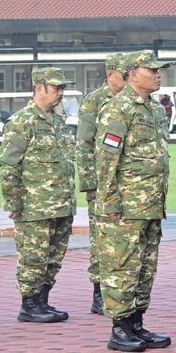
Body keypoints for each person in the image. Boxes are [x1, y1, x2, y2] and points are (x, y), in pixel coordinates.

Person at [94, 50, 172, 353]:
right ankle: (120, 328)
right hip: (126, 205)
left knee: (144, 266)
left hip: (151, 203)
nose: (157, 74)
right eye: (151, 70)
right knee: (122, 266)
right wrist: (110, 202)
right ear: (132, 73)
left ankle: (137, 323)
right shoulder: (118, 109)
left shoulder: (153, 109)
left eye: (158, 70)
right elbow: (106, 160)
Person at [1, 67, 77, 323]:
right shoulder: (22, 121)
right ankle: (29, 304)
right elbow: (10, 164)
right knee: (33, 258)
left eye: (62, 88)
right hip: (34, 206)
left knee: (54, 257)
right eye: (56, 88)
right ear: (39, 88)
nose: (60, 93)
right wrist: (13, 200)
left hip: (61, 203)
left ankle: (42, 300)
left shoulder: (58, 122)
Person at [75, 52, 127, 315]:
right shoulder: (94, 102)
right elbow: (84, 144)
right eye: (123, 74)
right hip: (101, 183)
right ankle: (98, 292)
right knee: (101, 239)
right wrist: (90, 184)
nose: (128, 79)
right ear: (110, 75)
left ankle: (120, 292)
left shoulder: (134, 101)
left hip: (128, 185)